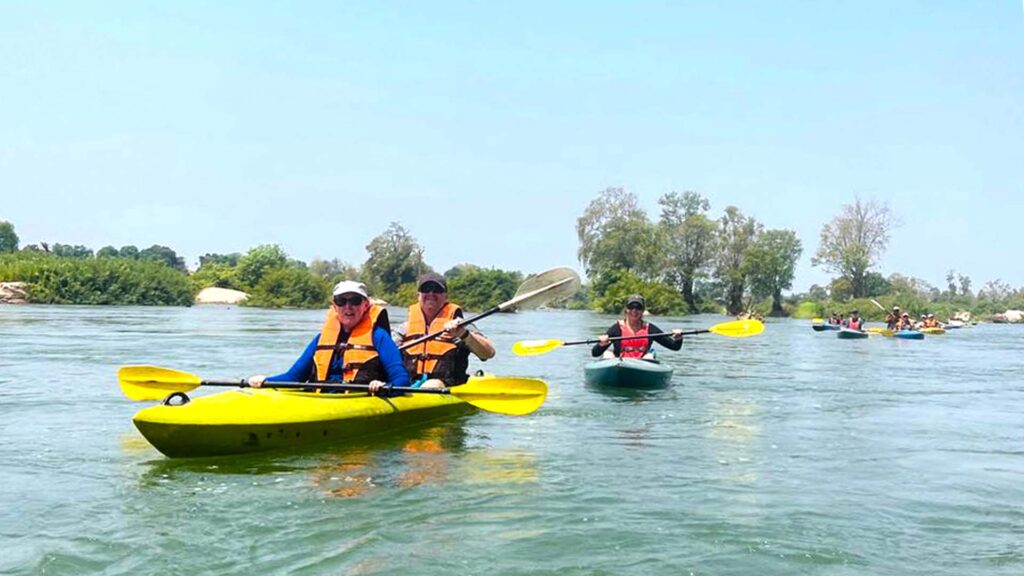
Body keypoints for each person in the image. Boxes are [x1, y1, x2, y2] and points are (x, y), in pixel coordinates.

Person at [248, 280, 409, 394]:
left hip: (360, 400)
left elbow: (401, 379)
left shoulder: (379, 337)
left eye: (355, 301)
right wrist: (266, 381)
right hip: (321, 399)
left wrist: (384, 387)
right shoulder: (321, 338)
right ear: (334, 306)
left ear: (365, 305)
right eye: (341, 301)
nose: (348, 307)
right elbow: (294, 377)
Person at [394, 272, 496, 390]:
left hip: (446, 387)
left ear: (446, 296)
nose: (431, 293)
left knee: (432, 385)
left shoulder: (460, 325)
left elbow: (489, 353)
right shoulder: (404, 329)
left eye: (437, 289)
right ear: (418, 295)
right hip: (408, 386)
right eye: (426, 289)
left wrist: (463, 334)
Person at [591, 294, 683, 359]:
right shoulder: (617, 328)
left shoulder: (650, 329)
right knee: (607, 355)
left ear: (642, 311)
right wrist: (601, 345)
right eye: (631, 307)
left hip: (642, 366)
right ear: (626, 310)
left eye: (638, 307)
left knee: (649, 356)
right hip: (620, 365)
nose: (634, 311)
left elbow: (674, 347)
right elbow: (595, 353)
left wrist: (678, 338)